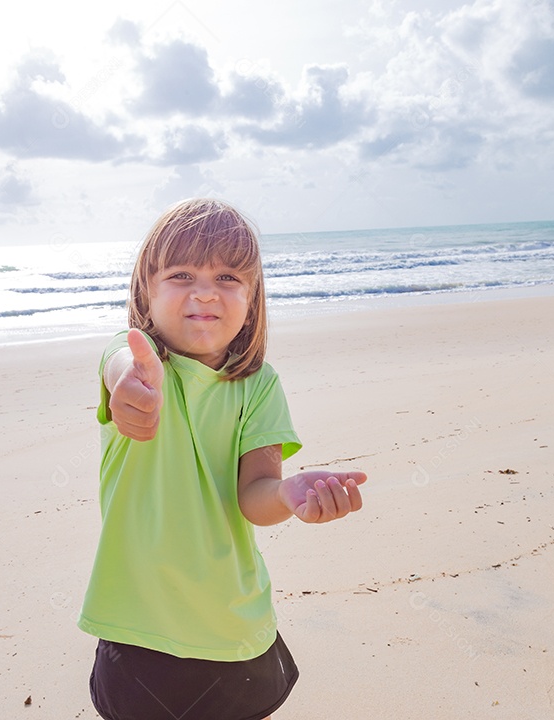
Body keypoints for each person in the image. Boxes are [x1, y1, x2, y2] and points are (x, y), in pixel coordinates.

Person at [78, 198, 367, 720]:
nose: (205, 291)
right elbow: (120, 364)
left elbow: (255, 494)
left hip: (235, 629)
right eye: (182, 273)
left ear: (252, 297)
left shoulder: (259, 384)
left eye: (229, 277)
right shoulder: (135, 360)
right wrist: (129, 388)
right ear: (147, 288)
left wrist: (287, 493)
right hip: (139, 630)